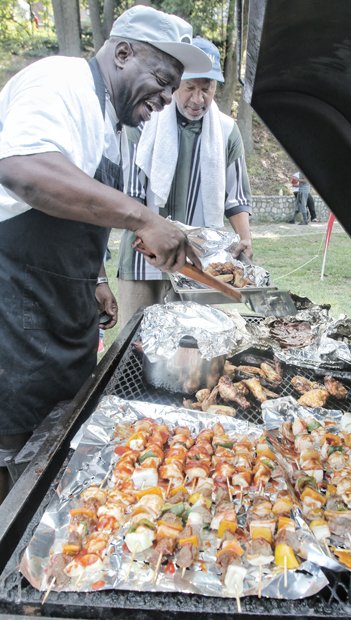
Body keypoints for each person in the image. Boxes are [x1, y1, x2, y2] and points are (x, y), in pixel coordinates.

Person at [0, 5, 211, 502]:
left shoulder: (115, 126)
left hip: (63, 309)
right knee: (11, 444)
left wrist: (94, 276)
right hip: (13, 311)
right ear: (122, 53)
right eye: (162, 81)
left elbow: (77, 206)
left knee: (50, 442)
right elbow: (25, 170)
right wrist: (142, 217)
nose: (165, 99)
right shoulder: (60, 81)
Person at [117, 37, 253, 327]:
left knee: (200, 343)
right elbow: (132, 197)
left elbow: (236, 198)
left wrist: (246, 238)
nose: (198, 98)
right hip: (145, 258)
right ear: (176, 82)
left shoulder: (227, 131)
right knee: (138, 340)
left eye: (207, 88)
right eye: (190, 87)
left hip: (200, 261)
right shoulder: (144, 122)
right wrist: (151, 238)